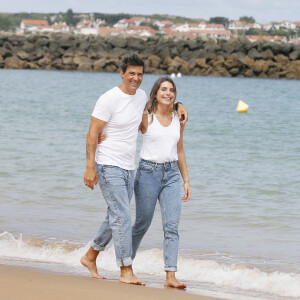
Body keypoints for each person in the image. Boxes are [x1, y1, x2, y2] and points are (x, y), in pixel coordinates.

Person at [81, 54, 188, 285]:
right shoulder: (108, 98)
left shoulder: (141, 98)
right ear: (122, 73)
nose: (136, 78)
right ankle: (125, 270)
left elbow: (162, 105)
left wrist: (179, 105)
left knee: (115, 214)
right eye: (131, 73)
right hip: (108, 163)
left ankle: (91, 255)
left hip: (129, 166)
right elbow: (92, 133)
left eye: (140, 74)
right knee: (121, 215)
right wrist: (90, 167)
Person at [131, 77, 191, 289]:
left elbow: (180, 149)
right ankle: (125, 266)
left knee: (172, 227)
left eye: (171, 90)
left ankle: (170, 276)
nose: (168, 93)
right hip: (148, 172)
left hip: (172, 174)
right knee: (141, 224)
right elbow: (125, 131)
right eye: (163, 89)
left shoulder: (178, 117)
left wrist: (186, 179)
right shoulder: (145, 116)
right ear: (155, 93)